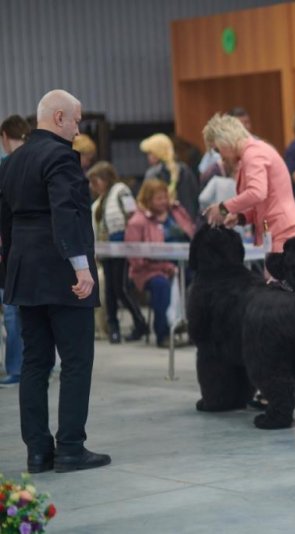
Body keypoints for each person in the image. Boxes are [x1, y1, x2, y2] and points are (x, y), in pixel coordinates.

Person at [0, 89, 110, 473]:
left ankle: (37, 452)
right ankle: (70, 448)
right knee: (77, 361)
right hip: (62, 273)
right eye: (77, 120)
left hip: (24, 273)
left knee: (35, 362)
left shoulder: (12, 161)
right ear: (59, 118)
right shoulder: (61, 157)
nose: (79, 129)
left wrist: (9, 270)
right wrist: (82, 268)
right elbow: (67, 213)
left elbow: (6, 223)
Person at [202, 114, 295, 252]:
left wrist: (223, 207)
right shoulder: (253, 152)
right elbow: (264, 202)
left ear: (225, 139)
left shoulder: (253, 154)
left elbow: (257, 193)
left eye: (217, 150)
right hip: (281, 233)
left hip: (284, 235)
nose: (220, 157)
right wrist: (241, 217)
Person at [125, 179, 195, 348]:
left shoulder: (177, 211)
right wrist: (165, 267)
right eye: (159, 198)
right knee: (161, 285)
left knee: (199, 282)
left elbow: (192, 233)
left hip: (184, 265)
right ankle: (162, 333)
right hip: (150, 270)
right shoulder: (137, 221)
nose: (164, 201)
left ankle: (193, 329)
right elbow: (135, 258)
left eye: (165, 197)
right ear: (148, 199)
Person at [87, 161, 147, 344]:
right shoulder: (98, 202)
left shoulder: (121, 190)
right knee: (110, 292)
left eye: (95, 181)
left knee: (120, 288)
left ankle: (140, 323)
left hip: (121, 246)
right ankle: (113, 328)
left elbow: (133, 214)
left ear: (106, 179)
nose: (92, 185)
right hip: (105, 249)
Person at [0, 114, 30, 387]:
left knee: (13, 313)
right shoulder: (39, 161)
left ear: (5, 137)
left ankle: (17, 368)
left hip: (13, 252)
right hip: (26, 251)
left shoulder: (7, 166)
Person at [140, 133, 201, 220]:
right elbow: (195, 199)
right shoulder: (185, 170)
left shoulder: (152, 174)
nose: (148, 157)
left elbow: (144, 202)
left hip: (160, 224)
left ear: (157, 153)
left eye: (150, 153)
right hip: (187, 222)